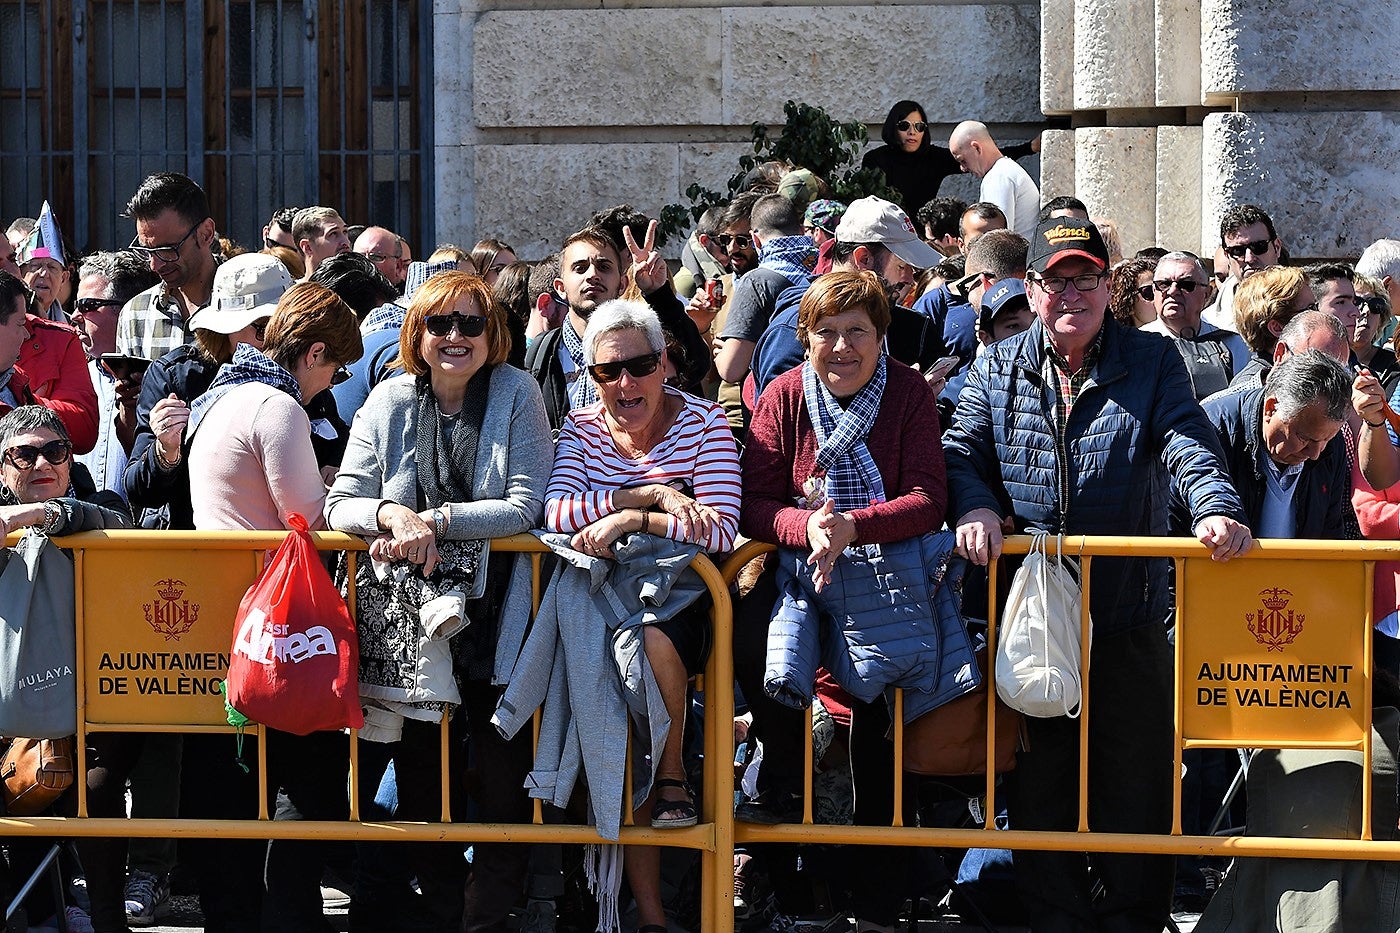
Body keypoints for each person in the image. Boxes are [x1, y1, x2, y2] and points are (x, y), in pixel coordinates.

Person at [943, 215, 1252, 933]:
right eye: (1057, 279)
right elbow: (960, 448)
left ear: (1110, 286)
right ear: (1032, 286)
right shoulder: (997, 362)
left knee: (1135, 789)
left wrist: (1213, 509)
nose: (1071, 293)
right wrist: (980, 505)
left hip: (1128, 610)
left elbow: (1187, 441)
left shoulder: (1150, 361)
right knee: (1043, 787)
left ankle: (1135, 923)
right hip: (1035, 612)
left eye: (1086, 278)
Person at [326, 270, 552, 930]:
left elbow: (524, 505)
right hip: (404, 632)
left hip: (495, 625)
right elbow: (343, 501)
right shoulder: (389, 398)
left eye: (471, 323)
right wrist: (395, 513)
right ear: (415, 333)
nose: (456, 336)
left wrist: (437, 521)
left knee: (499, 792)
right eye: (440, 323)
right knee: (421, 792)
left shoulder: (516, 392)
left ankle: (478, 920)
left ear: (493, 334)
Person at [738, 269, 947, 930]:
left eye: (856, 330)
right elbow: (755, 499)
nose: (841, 346)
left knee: (878, 750)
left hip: (884, 589)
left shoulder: (909, 393)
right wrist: (809, 528)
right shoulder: (784, 395)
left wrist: (855, 526)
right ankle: (795, 890)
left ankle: (878, 906)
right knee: (786, 728)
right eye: (825, 331)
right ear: (806, 338)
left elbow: (928, 497)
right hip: (797, 591)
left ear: (880, 336)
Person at [533, 296, 739, 933]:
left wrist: (628, 520)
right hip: (595, 607)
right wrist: (650, 497)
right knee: (623, 755)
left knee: (647, 652)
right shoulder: (579, 431)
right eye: (606, 372)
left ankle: (674, 769)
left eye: (640, 365)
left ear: (666, 365)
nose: (624, 383)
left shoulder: (706, 425)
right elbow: (556, 512)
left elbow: (723, 528)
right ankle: (648, 915)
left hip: (678, 608)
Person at [184, 282, 361, 932]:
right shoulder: (278, 407)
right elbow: (306, 516)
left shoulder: (219, 398)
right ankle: (292, 921)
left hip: (233, 622)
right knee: (302, 784)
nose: (331, 383)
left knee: (234, 787)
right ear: (314, 351)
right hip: (283, 630)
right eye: (334, 367)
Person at [0, 405, 130, 933]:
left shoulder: (101, 506)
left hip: (96, 697)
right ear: (1, 469)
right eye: (22, 454)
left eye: (53, 452)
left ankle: (106, 919)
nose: (41, 464)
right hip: (10, 701)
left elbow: (107, 522)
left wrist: (33, 518)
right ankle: (32, 910)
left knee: (98, 788)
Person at [862, 101, 1033, 217]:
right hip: (884, 233)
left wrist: (1030, 147)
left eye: (919, 127)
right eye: (904, 125)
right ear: (894, 127)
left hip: (922, 236)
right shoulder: (875, 159)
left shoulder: (933, 158)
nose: (912, 132)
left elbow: (986, 154)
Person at [117, 172, 221, 361]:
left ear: (206, 234)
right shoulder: (135, 313)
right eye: (147, 250)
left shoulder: (245, 302)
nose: (154, 265)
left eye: (167, 250)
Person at [1140, 251, 1250, 399]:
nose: (1172, 291)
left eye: (1186, 285)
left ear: (1207, 293)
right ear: (1154, 290)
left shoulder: (1232, 344)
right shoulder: (1136, 344)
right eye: (1164, 284)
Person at [1228, 266, 1318, 388]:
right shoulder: (1253, 385)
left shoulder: (1311, 370)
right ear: (1277, 328)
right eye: (1310, 309)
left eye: (1316, 307)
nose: (1319, 315)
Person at [948, 121, 1040, 239]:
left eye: (963, 160)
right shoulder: (1004, 171)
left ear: (976, 148)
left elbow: (997, 241)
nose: (963, 168)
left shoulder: (998, 178)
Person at [1354, 275, 1400, 395]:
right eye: (1357, 302)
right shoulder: (1325, 362)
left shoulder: (1394, 366)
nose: (1366, 310)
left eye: (1375, 305)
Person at [1107, 256, 1157, 328]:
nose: (1159, 297)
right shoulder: (1114, 338)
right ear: (1129, 304)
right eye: (1149, 292)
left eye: (1162, 289)